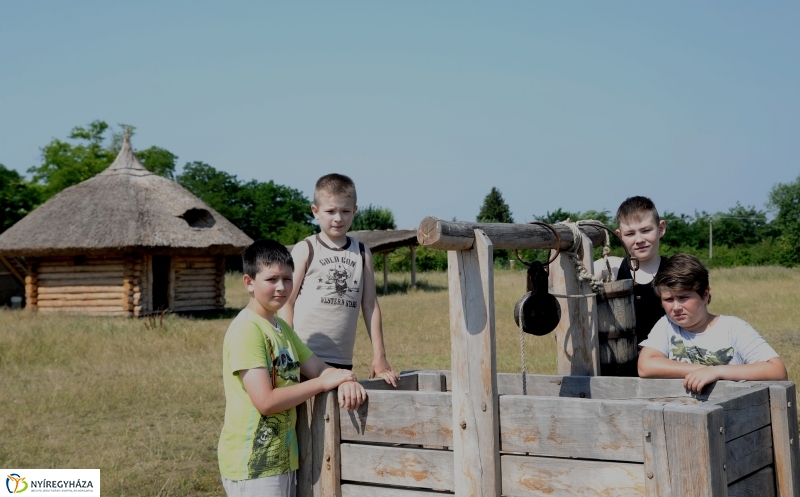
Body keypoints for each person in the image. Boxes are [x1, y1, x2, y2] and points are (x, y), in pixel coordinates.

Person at [218, 239, 367, 497]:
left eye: (287, 279)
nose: (281, 287)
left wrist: (345, 380)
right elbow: (266, 401)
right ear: (249, 283)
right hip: (253, 466)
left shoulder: (283, 329)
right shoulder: (247, 330)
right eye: (271, 279)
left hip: (283, 458)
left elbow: (319, 368)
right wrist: (322, 383)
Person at [280, 173, 399, 386]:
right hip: (303, 356)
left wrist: (379, 357)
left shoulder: (362, 253)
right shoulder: (306, 249)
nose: (338, 218)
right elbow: (286, 302)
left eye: (345, 211)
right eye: (330, 211)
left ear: (355, 211)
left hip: (341, 360)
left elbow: (370, 306)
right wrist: (288, 350)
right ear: (315, 211)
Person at [638, 254, 787, 393]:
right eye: (668, 300)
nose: (676, 307)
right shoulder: (667, 325)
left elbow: (777, 371)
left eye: (683, 298)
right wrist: (701, 369)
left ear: (704, 294)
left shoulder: (734, 328)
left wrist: (716, 371)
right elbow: (645, 366)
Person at [594, 196, 667, 345]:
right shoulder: (611, 267)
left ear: (660, 228)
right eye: (630, 234)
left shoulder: (675, 269)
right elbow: (573, 273)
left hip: (664, 361)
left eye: (646, 230)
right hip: (619, 362)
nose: (639, 239)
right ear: (619, 236)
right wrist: (567, 236)